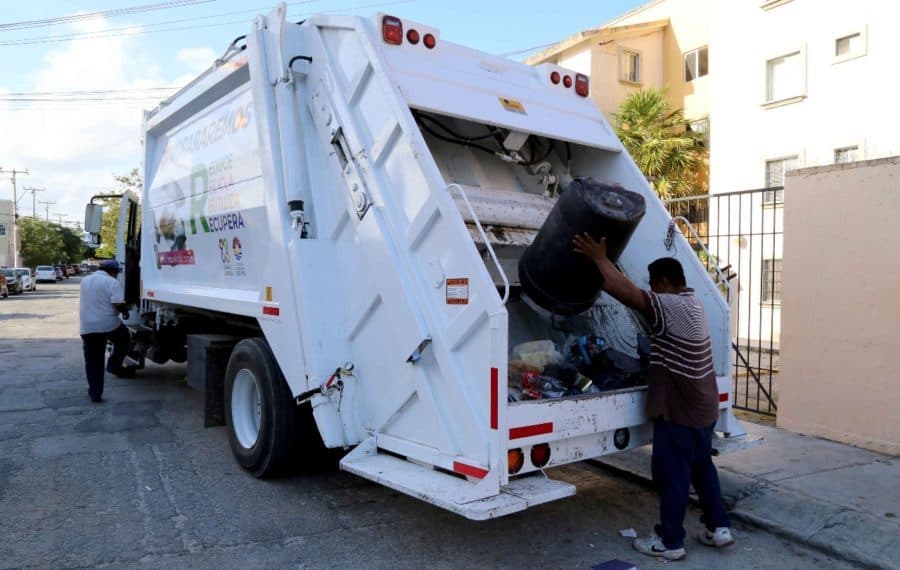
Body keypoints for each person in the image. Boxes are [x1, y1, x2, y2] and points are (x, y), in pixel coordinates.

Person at [573, 233, 733, 561]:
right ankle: (719, 528)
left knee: (672, 473)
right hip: (705, 407)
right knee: (703, 468)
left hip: (682, 412)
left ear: (662, 282)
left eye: (652, 283)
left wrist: (600, 259)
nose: (650, 288)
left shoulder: (669, 305)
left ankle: (669, 542)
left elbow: (630, 295)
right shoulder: (693, 303)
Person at [79, 259, 136, 403]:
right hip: (108, 325)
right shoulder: (112, 282)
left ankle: (95, 393)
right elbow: (117, 303)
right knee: (124, 338)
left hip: (88, 326)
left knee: (93, 361)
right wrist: (125, 311)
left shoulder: (85, 280)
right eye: (117, 273)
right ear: (113, 271)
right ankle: (114, 364)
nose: (117, 275)